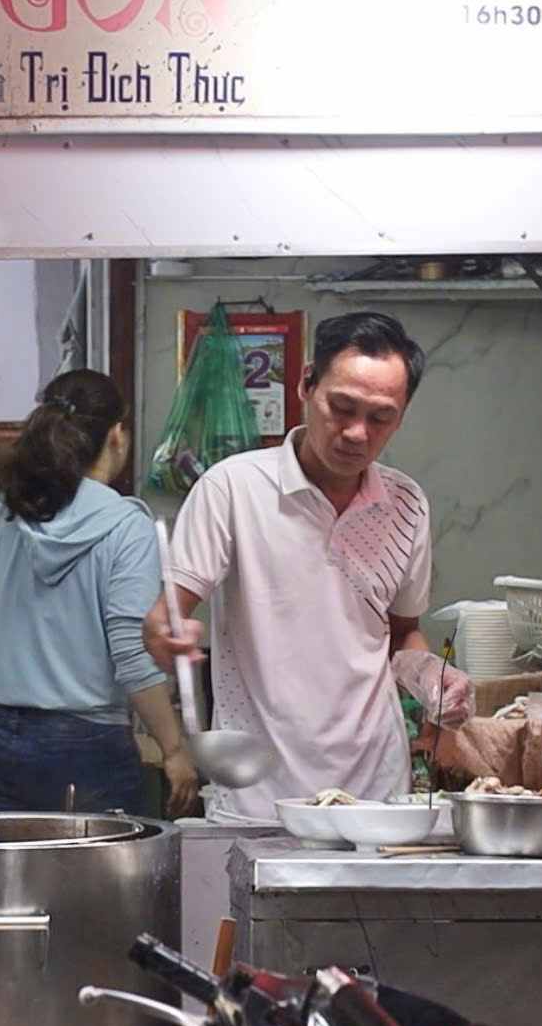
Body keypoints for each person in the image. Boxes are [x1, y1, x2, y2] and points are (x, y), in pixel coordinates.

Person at [143, 311, 474, 823]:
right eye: (342, 407)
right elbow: (168, 616)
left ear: (401, 417)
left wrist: (431, 674)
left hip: (376, 794)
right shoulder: (233, 488)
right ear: (305, 386)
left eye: (381, 417)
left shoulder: (407, 503)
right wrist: (166, 634)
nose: (357, 433)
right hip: (259, 795)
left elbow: (402, 633)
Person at [0, 368, 199, 817]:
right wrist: (173, 749)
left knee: (2, 881)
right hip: (84, 743)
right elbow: (131, 654)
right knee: (94, 884)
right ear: (116, 436)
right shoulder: (126, 526)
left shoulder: (2, 511)